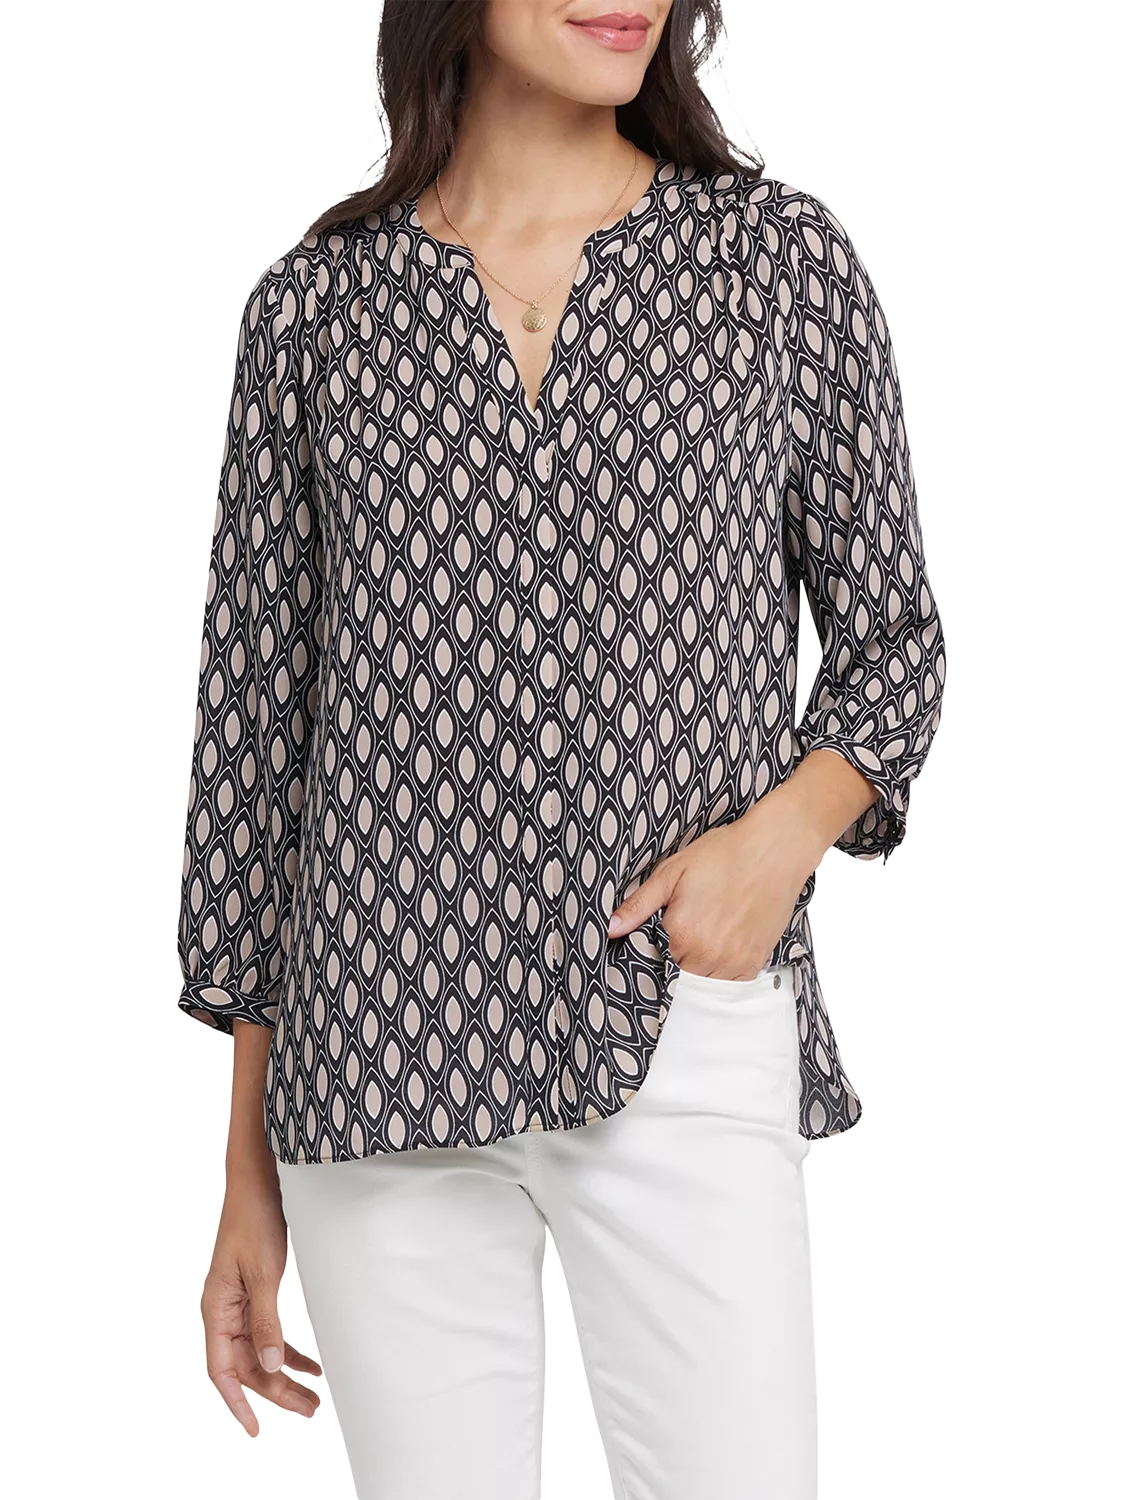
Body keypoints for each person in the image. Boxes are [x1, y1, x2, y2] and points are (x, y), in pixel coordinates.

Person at [175, 2, 946, 1496]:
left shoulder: (774, 265)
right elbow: (255, 755)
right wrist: (243, 1174)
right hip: (376, 1057)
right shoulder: (317, 313)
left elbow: (894, 645)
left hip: (679, 1019)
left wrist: (776, 845)